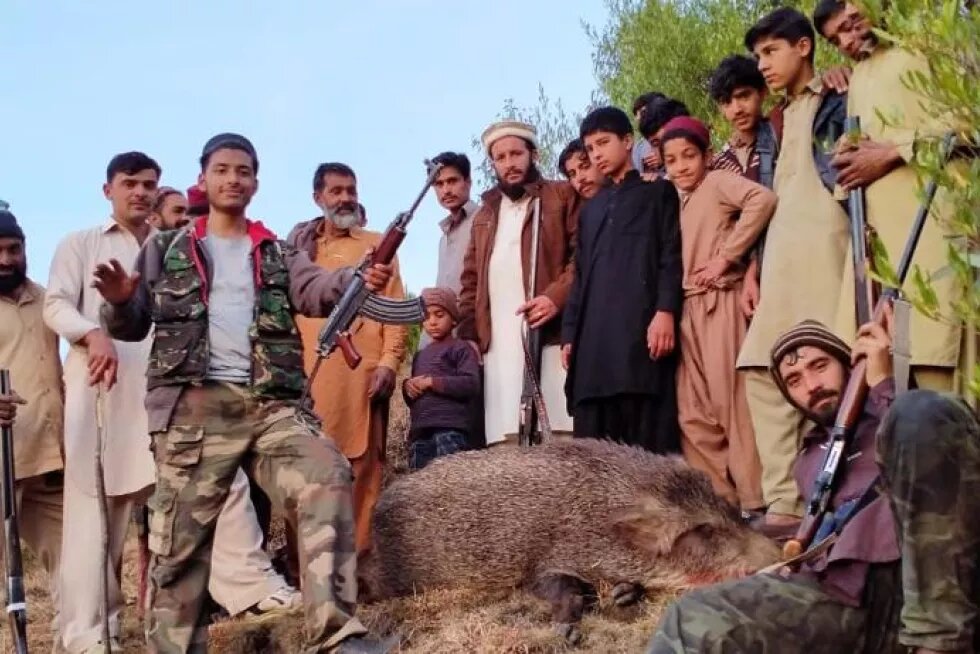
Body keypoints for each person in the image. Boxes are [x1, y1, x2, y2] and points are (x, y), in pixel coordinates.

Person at [94, 134, 395, 654]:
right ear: (205, 180)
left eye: (244, 171)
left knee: (327, 473)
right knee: (181, 546)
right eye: (223, 170)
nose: (234, 179)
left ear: (255, 182)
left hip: (270, 405)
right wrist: (120, 302)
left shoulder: (275, 249)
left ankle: (336, 634)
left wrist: (356, 277)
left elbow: (318, 290)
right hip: (191, 407)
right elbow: (131, 325)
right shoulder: (166, 247)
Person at [647, 317, 980, 654]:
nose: (811, 384)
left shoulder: (911, 411)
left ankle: (940, 646)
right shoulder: (809, 460)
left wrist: (883, 386)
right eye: (794, 380)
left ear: (851, 365)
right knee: (690, 618)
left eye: (820, 366)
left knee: (917, 411)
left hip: (927, 588)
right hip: (848, 598)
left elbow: (928, 445)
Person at [737, 6, 850, 538]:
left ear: (804, 47)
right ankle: (785, 503)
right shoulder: (774, 122)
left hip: (828, 251)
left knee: (833, 367)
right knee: (762, 366)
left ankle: (840, 499)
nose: (763, 64)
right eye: (758, 55)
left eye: (771, 51)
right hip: (780, 258)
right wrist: (755, 268)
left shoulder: (837, 97)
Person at [815, 0, 963, 394]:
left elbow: (968, 121)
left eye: (850, 23)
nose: (847, 40)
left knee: (942, 387)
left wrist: (892, 150)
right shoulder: (859, 74)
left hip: (936, 243)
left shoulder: (934, 40)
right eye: (836, 38)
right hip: (881, 259)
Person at [288, 162, 408, 559]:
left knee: (363, 470)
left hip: (362, 374)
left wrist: (389, 363)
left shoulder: (376, 245)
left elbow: (396, 308)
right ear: (317, 197)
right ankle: (304, 566)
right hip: (307, 376)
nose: (345, 198)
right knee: (304, 471)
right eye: (336, 191)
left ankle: (356, 563)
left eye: (350, 190)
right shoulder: (298, 251)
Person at [660, 115, 776, 514]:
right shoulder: (673, 199)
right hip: (686, 310)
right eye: (671, 160)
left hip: (719, 302)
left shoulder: (716, 183)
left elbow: (762, 200)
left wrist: (728, 257)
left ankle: (755, 500)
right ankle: (718, 503)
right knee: (692, 412)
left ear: (707, 155)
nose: (681, 167)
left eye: (689, 156)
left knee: (732, 401)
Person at [560, 106, 682, 450]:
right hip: (594, 350)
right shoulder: (591, 211)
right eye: (591, 148)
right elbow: (580, 275)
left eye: (603, 142)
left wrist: (666, 311)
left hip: (641, 339)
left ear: (627, 141)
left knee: (648, 459)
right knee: (593, 461)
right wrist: (570, 333)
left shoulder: (658, 193)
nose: (597, 154)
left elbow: (670, 256)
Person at [458, 120, 580, 445]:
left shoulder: (561, 196)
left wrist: (555, 297)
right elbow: (469, 283)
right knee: (508, 451)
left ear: (533, 154)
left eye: (516, 153)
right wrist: (469, 336)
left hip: (550, 339)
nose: (509, 163)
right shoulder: (484, 216)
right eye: (501, 157)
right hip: (499, 350)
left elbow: (583, 257)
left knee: (561, 445)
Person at [0, 204, 65, 643]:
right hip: (2, 458)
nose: (6, 260)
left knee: (79, 573)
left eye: (14, 249)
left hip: (50, 459)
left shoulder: (49, 301)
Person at [403, 287, 480, 470]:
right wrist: (408, 387)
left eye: (439, 315)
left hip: (450, 431)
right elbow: (413, 397)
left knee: (451, 487)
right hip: (420, 435)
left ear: (453, 319)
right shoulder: (420, 355)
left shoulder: (460, 348)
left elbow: (470, 384)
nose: (432, 322)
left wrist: (432, 382)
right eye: (427, 317)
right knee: (419, 491)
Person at [707, 54, 779, 187]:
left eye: (744, 96)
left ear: (763, 92)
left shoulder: (781, 136)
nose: (737, 109)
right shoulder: (719, 163)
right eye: (727, 102)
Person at [431, 152, 479, 295]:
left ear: (468, 182)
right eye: (439, 184)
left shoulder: (484, 220)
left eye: (452, 181)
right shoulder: (443, 238)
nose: (446, 190)